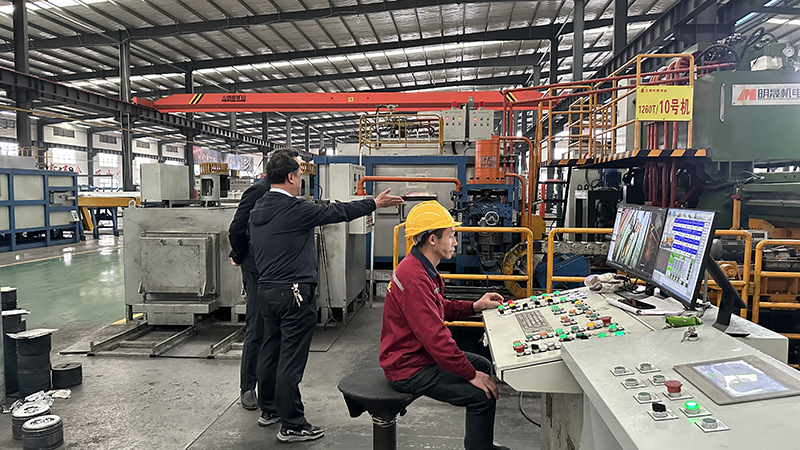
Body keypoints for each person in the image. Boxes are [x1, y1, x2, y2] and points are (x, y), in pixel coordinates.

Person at [249, 149, 403, 442]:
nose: (301, 180)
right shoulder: (295, 209)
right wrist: (374, 203)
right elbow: (338, 212)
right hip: (294, 293)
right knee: (290, 361)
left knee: (270, 351)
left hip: (266, 291)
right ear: (291, 177)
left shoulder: (258, 209)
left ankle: (269, 409)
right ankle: (292, 424)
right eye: (299, 175)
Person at [379, 200, 510, 450]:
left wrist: (475, 306)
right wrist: (470, 375)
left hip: (416, 355)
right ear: (432, 239)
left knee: (483, 365)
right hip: (408, 367)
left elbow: (439, 307)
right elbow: (436, 339)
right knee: (481, 395)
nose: (455, 242)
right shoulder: (415, 277)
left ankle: (480, 444)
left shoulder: (420, 267)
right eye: (451, 236)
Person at [228, 174, 270, 411]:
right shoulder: (258, 191)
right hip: (256, 267)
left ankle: (269, 387)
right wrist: (240, 254)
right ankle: (247, 386)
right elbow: (236, 228)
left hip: (276, 267)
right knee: (257, 325)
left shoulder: (285, 192)